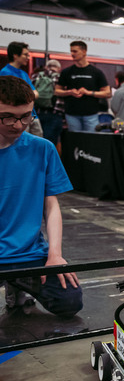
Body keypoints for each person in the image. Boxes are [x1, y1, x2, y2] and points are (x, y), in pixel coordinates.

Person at [0, 76, 82, 317]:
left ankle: (17, 283)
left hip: (29, 254)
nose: (19, 124)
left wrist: (55, 254)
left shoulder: (42, 148)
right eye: (8, 117)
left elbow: (51, 207)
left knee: (70, 302)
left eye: (26, 116)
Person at [55, 40, 111, 133]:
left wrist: (88, 93)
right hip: (71, 114)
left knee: (91, 142)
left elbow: (107, 93)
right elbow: (57, 91)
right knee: (75, 143)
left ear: (84, 51)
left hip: (91, 115)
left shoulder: (96, 72)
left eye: (75, 51)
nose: (72, 54)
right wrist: (70, 92)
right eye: (71, 51)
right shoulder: (66, 72)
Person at [1, 41, 42, 138]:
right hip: (16, 118)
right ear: (15, 55)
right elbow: (10, 99)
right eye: (25, 55)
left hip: (32, 115)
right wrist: (28, 95)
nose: (28, 57)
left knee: (38, 141)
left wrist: (25, 95)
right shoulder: (4, 73)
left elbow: (36, 94)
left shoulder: (23, 73)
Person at [31, 58, 64, 145]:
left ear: (46, 67)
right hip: (55, 112)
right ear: (59, 68)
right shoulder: (60, 77)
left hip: (36, 112)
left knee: (35, 140)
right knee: (50, 142)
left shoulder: (36, 76)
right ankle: (47, 158)